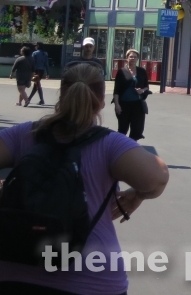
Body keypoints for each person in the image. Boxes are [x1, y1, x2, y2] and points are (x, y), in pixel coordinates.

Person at [0, 62, 169, 294]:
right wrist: (138, 195)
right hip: (91, 278)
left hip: (14, 271)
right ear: (100, 102)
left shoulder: (25, 134)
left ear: (61, 95)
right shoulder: (110, 145)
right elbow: (158, 179)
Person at [112, 48, 150, 141]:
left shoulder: (141, 71)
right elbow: (116, 90)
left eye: (135, 57)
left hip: (137, 105)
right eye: (131, 57)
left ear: (137, 59)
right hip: (123, 104)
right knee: (122, 129)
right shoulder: (121, 72)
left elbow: (147, 87)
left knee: (137, 130)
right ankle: (119, 148)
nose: (133, 58)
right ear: (127, 58)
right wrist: (117, 105)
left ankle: (131, 148)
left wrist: (142, 90)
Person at [26, 41, 48, 106]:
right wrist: (48, 73)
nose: (35, 47)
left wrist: (30, 71)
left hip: (36, 70)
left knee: (37, 85)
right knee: (36, 85)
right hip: (42, 71)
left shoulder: (35, 53)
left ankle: (30, 99)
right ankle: (35, 99)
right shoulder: (45, 54)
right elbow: (46, 64)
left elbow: (32, 63)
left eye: (36, 45)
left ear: (38, 46)